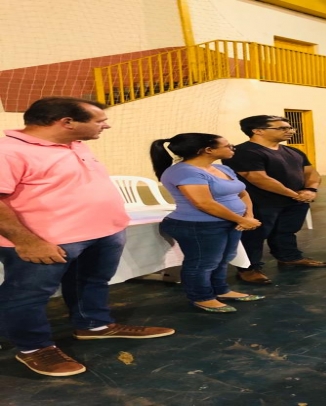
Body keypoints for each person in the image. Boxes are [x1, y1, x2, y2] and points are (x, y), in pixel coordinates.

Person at [0, 97, 174, 377]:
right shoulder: (8, 151)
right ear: (66, 123)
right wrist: (27, 241)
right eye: (98, 120)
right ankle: (33, 348)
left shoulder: (75, 144)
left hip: (103, 233)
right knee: (26, 295)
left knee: (92, 282)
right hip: (46, 241)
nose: (106, 125)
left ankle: (93, 325)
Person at [150, 133, 265, 313]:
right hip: (199, 225)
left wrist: (248, 215)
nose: (232, 148)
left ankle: (221, 290)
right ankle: (201, 297)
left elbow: (242, 192)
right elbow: (204, 203)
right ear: (208, 150)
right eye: (227, 145)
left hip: (230, 222)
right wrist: (241, 219)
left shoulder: (223, 169)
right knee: (203, 263)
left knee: (223, 259)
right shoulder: (184, 171)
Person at [223, 115, 326, 285]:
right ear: (257, 131)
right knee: (254, 236)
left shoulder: (294, 151)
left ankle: (289, 257)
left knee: (286, 231)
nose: (289, 131)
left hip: (294, 201)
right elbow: (258, 178)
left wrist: (311, 189)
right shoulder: (243, 152)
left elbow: (311, 172)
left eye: (290, 128)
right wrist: (294, 194)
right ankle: (249, 268)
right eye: (282, 128)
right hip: (261, 203)